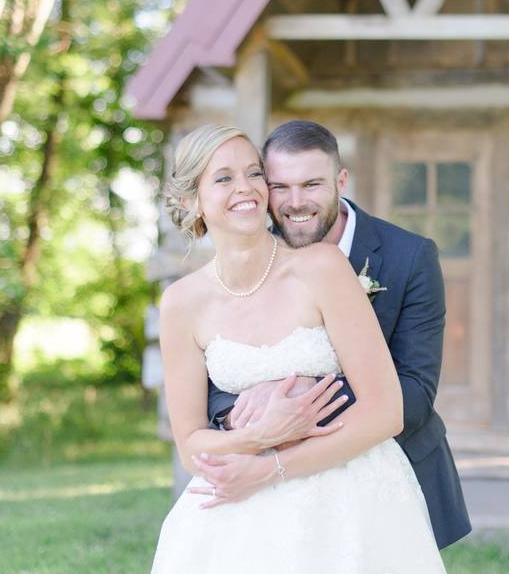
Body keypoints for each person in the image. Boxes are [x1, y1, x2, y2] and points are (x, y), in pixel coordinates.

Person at [150, 124, 446, 572]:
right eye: (224, 178)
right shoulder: (180, 303)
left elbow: (388, 410)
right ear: (191, 200)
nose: (246, 188)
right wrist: (255, 440)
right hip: (237, 500)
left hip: (348, 491)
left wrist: (272, 467)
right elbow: (191, 445)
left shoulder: (322, 267)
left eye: (253, 173)